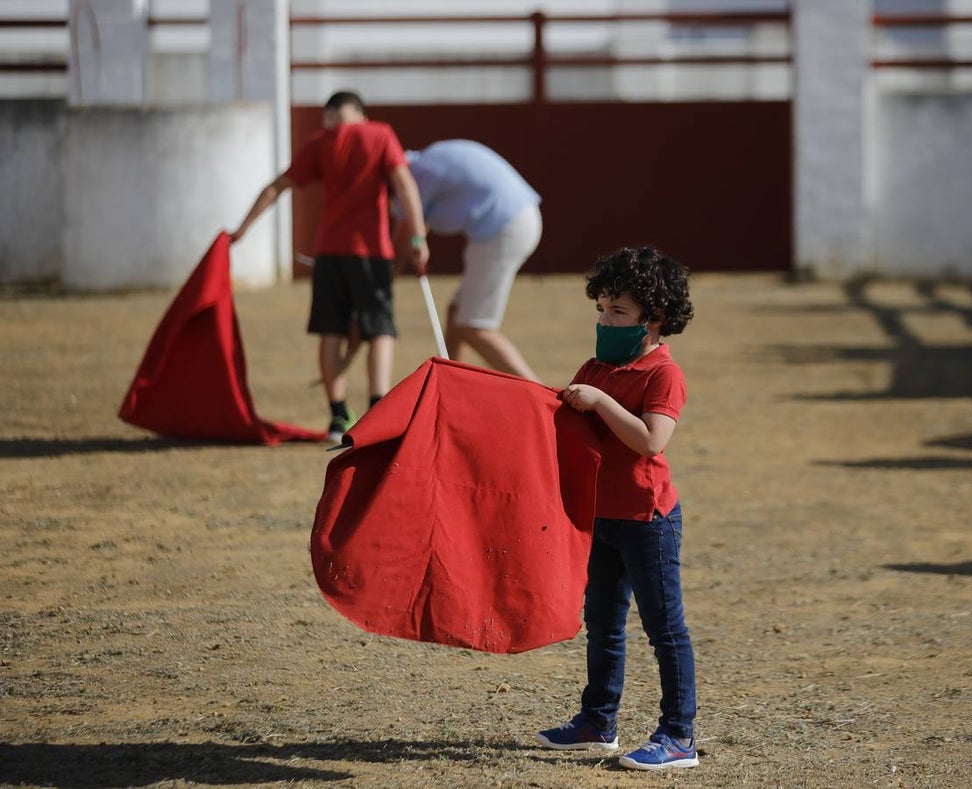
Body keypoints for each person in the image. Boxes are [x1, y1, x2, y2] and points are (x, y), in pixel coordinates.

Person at [536, 246, 698, 771]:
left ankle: (678, 736)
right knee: (602, 621)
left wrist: (602, 403)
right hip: (600, 518)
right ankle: (597, 721)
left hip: (648, 523)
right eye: (601, 310)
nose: (605, 321)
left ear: (656, 320)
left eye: (618, 313)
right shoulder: (596, 366)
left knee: (664, 628)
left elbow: (652, 441)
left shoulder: (662, 375)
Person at [229, 90, 429, 441]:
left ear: (330, 116)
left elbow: (277, 187)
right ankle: (377, 408)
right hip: (371, 251)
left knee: (331, 331)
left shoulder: (320, 141)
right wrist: (417, 238)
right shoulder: (379, 133)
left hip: (329, 253)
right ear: (360, 115)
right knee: (380, 329)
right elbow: (405, 184)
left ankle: (338, 417)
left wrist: (241, 230)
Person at [391, 139, 542, 381]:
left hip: (504, 226)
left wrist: (388, 276)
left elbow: (408, 231)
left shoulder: (414, 176)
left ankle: (543, 399)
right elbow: (416, 228)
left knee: (473, 326)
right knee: (457, 313)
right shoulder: (424, 164)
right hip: (514, 219)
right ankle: (455, 388)